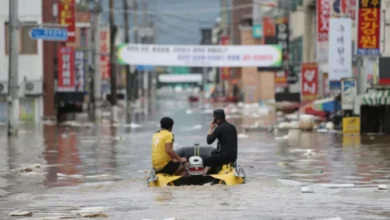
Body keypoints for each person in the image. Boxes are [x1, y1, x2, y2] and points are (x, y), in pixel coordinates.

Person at [203, 109, 238, 174]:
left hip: (224, 158)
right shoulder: (232, 127)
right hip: (233, 157)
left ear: (215, 118)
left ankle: (202, 175)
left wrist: (210, 128)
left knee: (203, 161)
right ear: (224, 116)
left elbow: (209, 141)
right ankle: (208, 171)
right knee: (214, 154)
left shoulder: (219, 129)